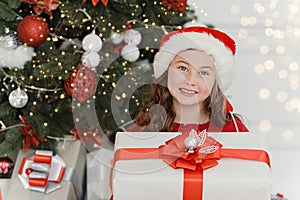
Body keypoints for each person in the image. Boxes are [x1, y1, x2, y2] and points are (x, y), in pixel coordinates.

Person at [128, 26, 249, 133]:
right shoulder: (142, 130)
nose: (190, 80)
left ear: (215, 82)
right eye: (183, 68)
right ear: (167, 71)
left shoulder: (235, 130)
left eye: (203, 72)